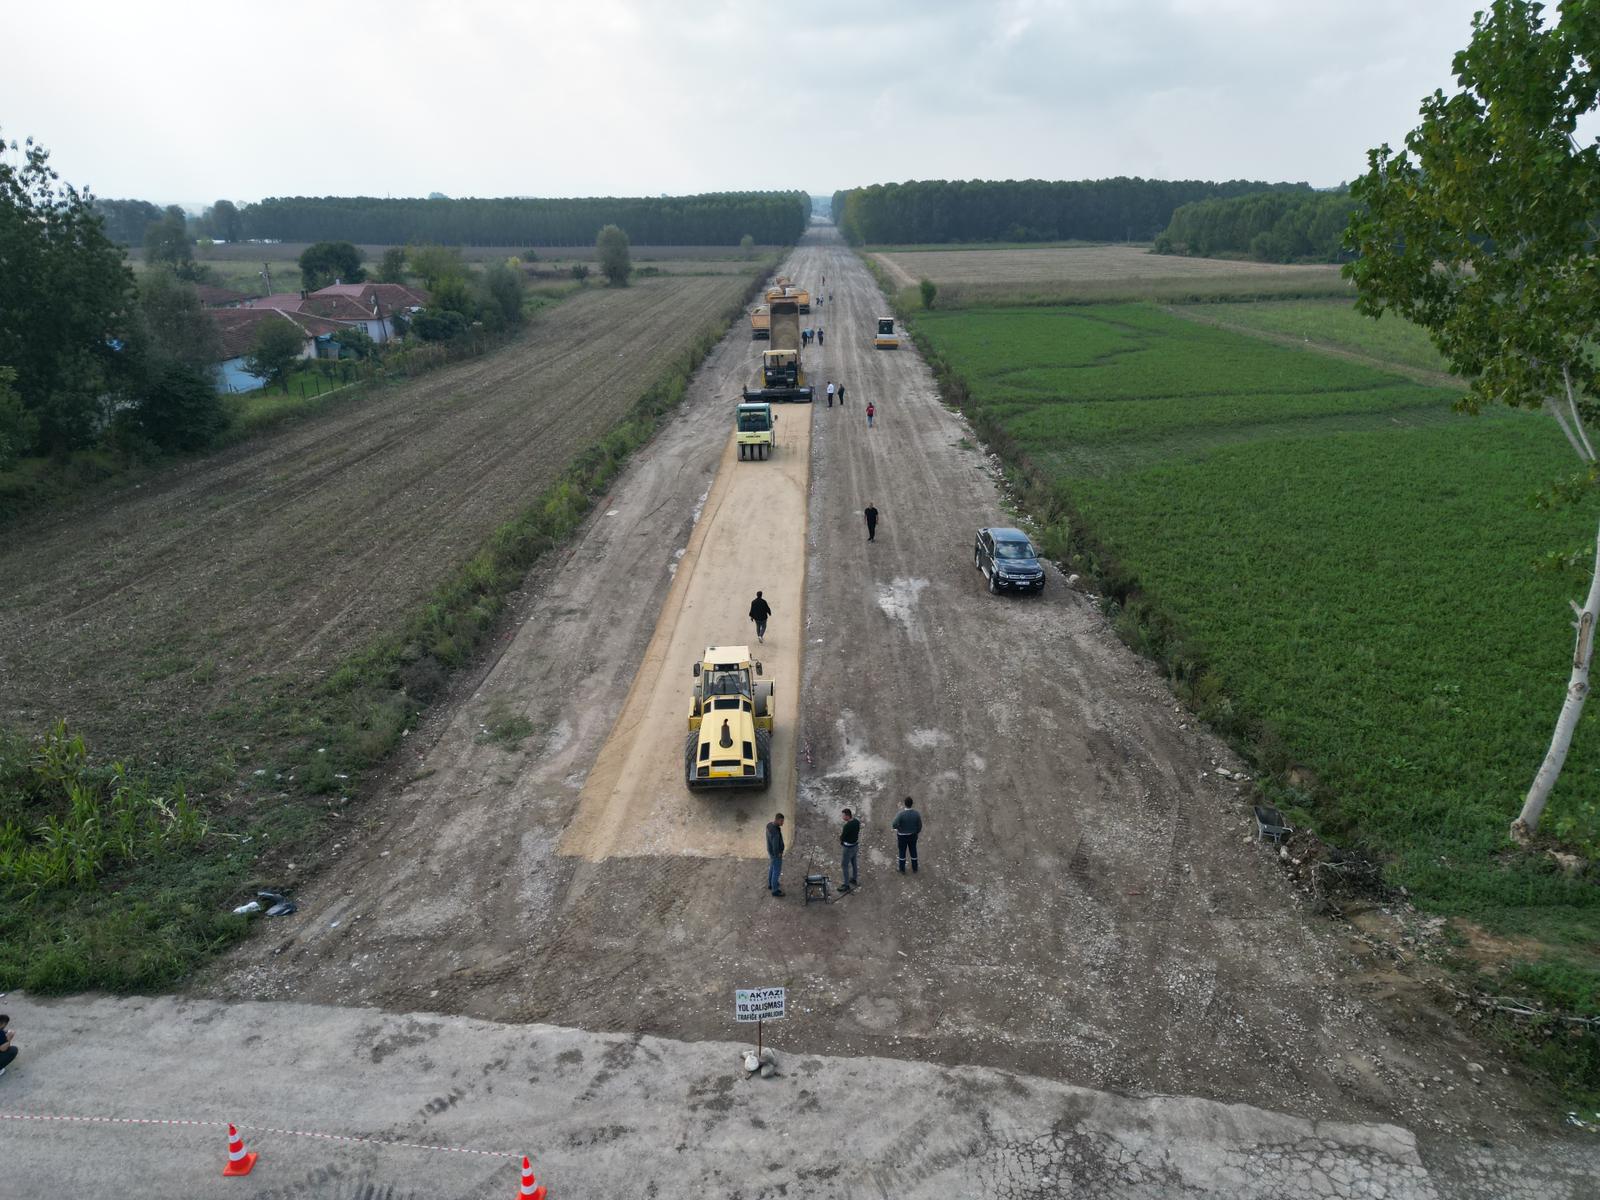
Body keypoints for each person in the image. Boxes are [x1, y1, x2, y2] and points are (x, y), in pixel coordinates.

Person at [892, 796, 922, 873]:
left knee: (902, 852)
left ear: (905, 804)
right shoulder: (916, 814)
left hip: (902, 836)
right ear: (912, 804)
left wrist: (899, 828)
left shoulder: (901, 814)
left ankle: (902, 869)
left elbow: (894, 824)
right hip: (913, 835)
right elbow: (919, 826)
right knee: (913, 851)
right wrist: (916, 832)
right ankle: (915, 868)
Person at [839, 808, 861, 892]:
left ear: (847, 816)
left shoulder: (847, 826)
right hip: (855, 846)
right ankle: (854, 879)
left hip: (848, 848)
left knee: (844, 865)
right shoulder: (856, 821)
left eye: (843, 815)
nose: (842, 817)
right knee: (854, 862)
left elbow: (843, 837)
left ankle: (846, 885)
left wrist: (841, 839)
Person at [766, 813, 786, 897]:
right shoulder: (775, 833)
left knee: (772, 867)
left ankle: (770, 884)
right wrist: (779, 854)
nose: (782, 823)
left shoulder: (769, 825)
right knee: (776, 871)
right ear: (777, 820)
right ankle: (775, 890)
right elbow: (775, 846)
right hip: (775, 855)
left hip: (770, 852)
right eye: (781, 821)